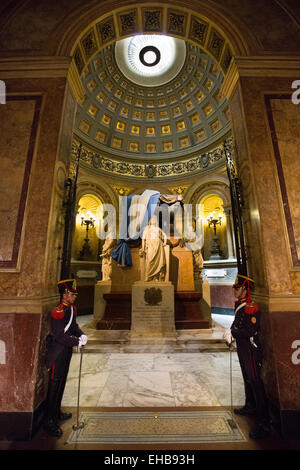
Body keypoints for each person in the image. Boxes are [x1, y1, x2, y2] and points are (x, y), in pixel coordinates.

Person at [223, 273, 271, 439]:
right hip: (243, 348)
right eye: (234, 288)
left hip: (250, 349)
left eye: (237, 288)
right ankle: (250, 405)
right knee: (247, 377)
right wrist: (230, 331)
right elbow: (237, 324)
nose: (234, 290)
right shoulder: (241, 305)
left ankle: (264, 422)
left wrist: (233, 332)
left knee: (255, 381)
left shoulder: (251, 307)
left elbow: (249, 330)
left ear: (245, 290)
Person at [44, 279, 87, 437]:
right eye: (72, 294)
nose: (74, 296)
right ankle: (48, 420)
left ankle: (56, 411)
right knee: (54, 384)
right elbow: (60, 335)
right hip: (58, 352)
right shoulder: (58, 311)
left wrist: (81, 334)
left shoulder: (72, 309)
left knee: (62, 382)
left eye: (75, 294)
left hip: (66, 351)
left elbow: (73, 326)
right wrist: (77, 341)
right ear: (65, 294)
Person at [140, 215, 167, 281]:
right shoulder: (147, 228)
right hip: (150, 245)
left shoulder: (158, 228)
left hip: (158, 246)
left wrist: (165, 242)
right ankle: (148, 276)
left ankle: (156, 277)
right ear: (150, 221)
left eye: (155, 219)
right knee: (149, 260)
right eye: (153, 219)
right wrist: (143, 248)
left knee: (158, 262)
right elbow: (143, 239)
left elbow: (165, 236)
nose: (154, 220)